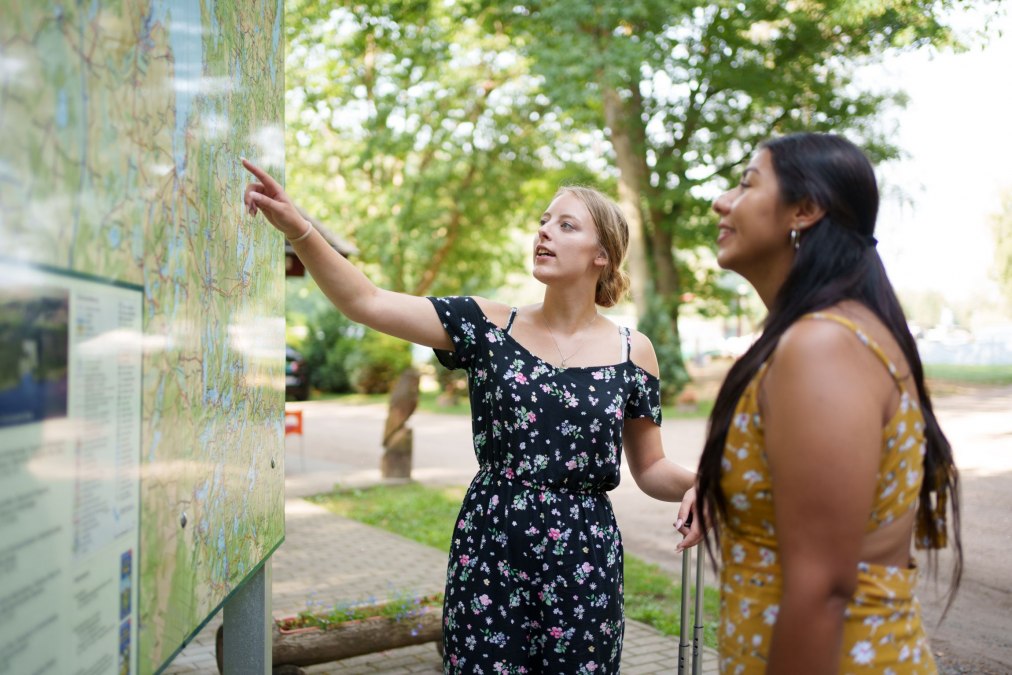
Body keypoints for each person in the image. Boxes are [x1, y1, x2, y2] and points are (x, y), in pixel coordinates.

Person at [241, 159, 700, 673]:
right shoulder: (486, 326)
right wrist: (300, 229)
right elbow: (365, 301)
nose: (544, 231)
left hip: (585, 558)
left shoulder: (633, 351)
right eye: (543, 221)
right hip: (490, 547)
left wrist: (702, 486)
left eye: (566, 225)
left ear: (602, 254)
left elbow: (651, 467)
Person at [693, 133, 962, 673]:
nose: (722, 201)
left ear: (805, 210)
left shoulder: (822, 345)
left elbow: (822, 588)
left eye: (746, 184)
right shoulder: (832, 332)